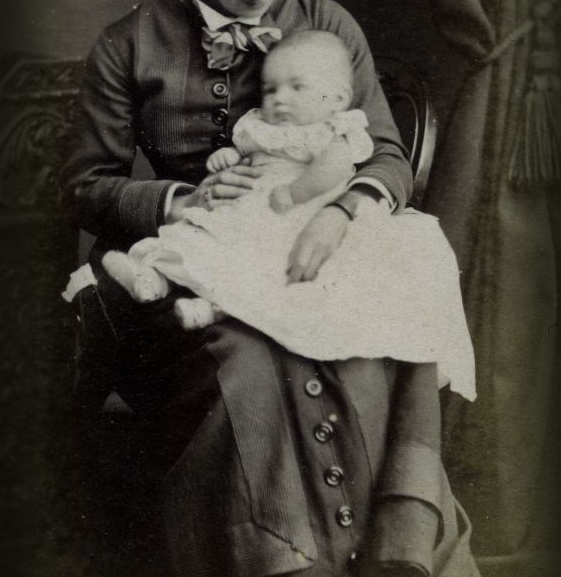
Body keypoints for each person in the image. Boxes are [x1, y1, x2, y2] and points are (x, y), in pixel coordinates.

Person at [63, 0, 504, 577]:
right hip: (194, 279)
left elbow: (381, 151)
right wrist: (179, 197)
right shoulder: (130, 41)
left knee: (377, 338)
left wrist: (338, 212)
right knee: (251, 365)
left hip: (310, 255)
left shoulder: (329, 23)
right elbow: (87, 181)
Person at [92, 29, 475, 399]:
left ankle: (211, 307)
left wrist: (295, 194)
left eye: (297, 87)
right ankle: (152, 276)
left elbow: (337, 167)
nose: (279, 99)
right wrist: (226, 159)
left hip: (298, 211)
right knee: (199, 240)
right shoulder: (260, 125)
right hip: (246, 209)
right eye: (271, 89)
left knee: (268, 270)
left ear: (338, 97)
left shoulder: (335, 129)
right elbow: (243, 154)